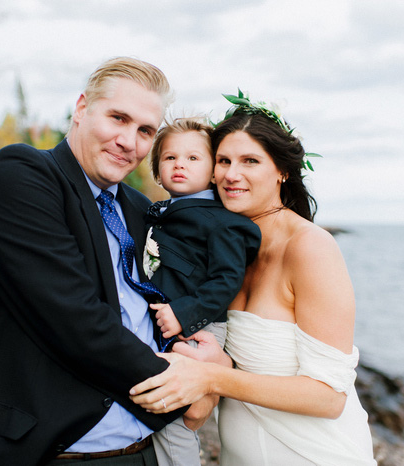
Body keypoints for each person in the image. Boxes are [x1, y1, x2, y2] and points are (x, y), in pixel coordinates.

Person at [0, 57, 188, 466]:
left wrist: (206, 352)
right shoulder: (21, 176)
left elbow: (161, 303)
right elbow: (74, 319)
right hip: (49, 452)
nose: (128, 141)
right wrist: (186, 389)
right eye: (118, 118)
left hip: (145, 452)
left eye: (145, 131)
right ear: (82, 109)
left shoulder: (139, 209)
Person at [130, 92, 377, 465]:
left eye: (250, 161)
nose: (232, 174)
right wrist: (219, 367)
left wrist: (211, 379)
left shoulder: (310, 247)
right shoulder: (223, 251)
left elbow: (328, 397)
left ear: (282, 170)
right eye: (224, 160)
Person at [143, 118, 261, 466]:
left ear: (213, 173)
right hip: (168, 323)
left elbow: (226, 280)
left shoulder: (221, 222)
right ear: (158, 171)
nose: (179, 164)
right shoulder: (162, 213)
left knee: (175, 418)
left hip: (199, 326)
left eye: (193, 158)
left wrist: (184, 314)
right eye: (169, 158)